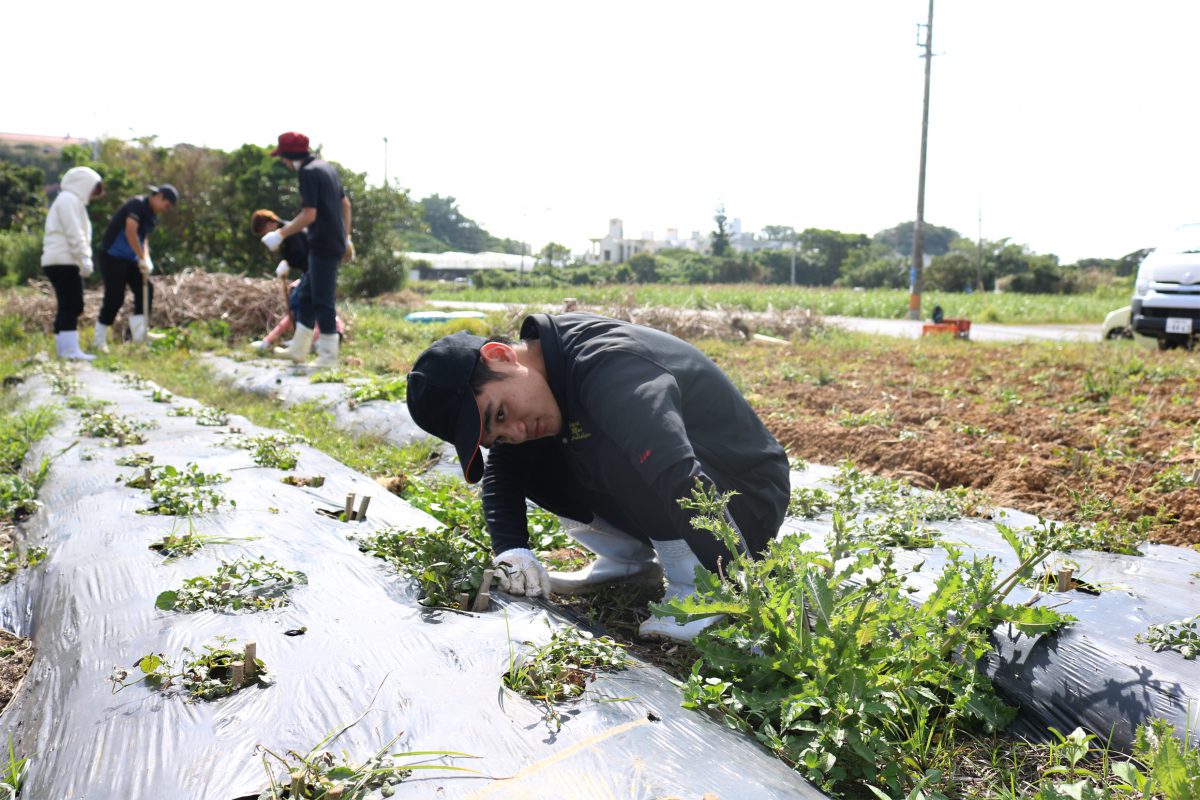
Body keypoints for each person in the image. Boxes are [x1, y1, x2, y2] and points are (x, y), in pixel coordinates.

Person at [406, 312, 790, 642]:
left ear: (501, 355)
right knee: (531, 459)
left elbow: (674, 466)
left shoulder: (605, 363)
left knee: (623, 443)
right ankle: (629, 564)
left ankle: (696, 583)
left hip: (742, 494)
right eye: (497, 435)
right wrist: (512, 550)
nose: (515, 432)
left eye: (501, 414)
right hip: (686, 485)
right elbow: (502, 475)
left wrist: (735, 577)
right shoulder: (543, 377)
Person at [260, 132, 352, 368]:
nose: (282, 161)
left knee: (322, 300)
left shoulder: (308, 173)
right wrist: (346, 236)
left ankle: (328, 357)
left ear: (290, 155)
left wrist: (281, 234)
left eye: (282, 156)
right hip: (329, 242)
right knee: (306, 296)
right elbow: (345, 204)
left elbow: (309, 214)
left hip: (323, 244)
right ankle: (298, 350)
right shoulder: (325, 168)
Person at [94, 184, 178, 350]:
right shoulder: (136, 204)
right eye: (166, 205)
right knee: (115, 297)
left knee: (146, 290)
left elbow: (142, 237)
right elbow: (130, 232)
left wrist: (146, 257)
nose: (165, 209)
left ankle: (139, 335)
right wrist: (141, 256)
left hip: (130, 257)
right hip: (112, 256)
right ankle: (99, 339)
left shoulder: (152, 214)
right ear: (159, 196)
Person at [41, 166, 103, 360]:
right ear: (83, 184)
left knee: (66, 304)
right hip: (64, 260)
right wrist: (84, 257)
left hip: (59, 260)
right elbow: (74, 232)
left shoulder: (68, 200)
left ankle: (63, 349)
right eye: (93, 189)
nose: (93, 194)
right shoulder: (68, 200)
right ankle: (69, 352)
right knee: (73, 304)